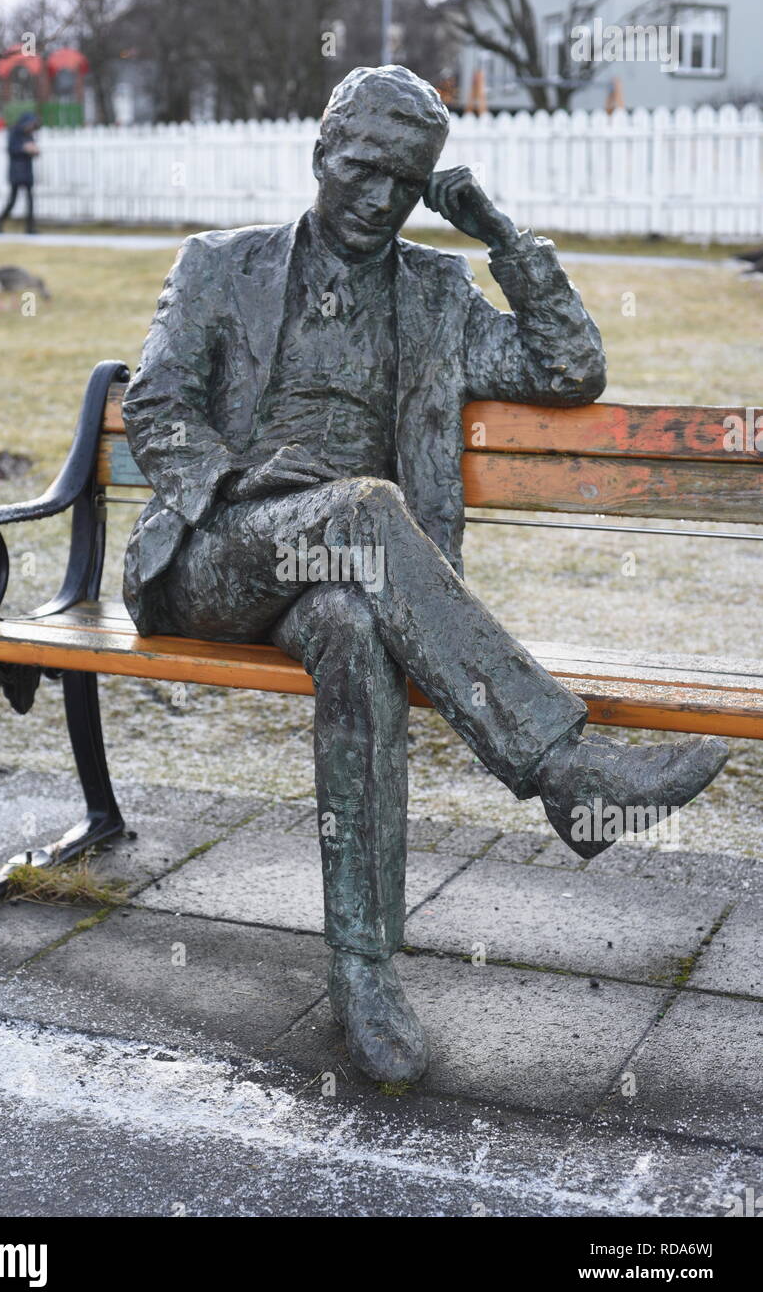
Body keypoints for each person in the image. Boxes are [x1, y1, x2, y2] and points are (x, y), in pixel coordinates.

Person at [121, 66, 727, 1084]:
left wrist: (499, 234)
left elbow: (568, 368)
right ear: (321, 155)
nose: (377, 198)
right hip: (218, 559)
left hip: (344, 578)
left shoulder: (438, 294)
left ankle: (364, 970)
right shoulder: (222, 267)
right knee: (364, 506)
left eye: (405, 183)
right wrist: (233, 482)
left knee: (356, 628)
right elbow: (157, 404)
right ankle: (564, 769)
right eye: (361, 171)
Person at [0, 111, 40, 234]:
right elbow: (11, 150)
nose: (31, 127)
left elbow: (34, 150)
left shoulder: (29, 135)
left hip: (27, 171)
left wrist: (34, 151)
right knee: (13, 200)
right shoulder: (14, 133)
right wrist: (24, 149)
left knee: (30, 200)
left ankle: (30, 228)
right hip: (16, 172)